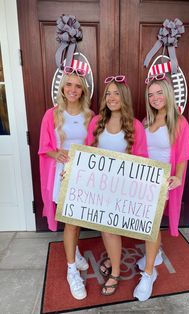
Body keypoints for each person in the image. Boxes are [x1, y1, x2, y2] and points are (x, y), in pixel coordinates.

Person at [85, 75, 148, 296]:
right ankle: (113, 261)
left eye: (117, 93)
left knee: (110, 229)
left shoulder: (135, 126)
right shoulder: (96, 122)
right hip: (100, 187)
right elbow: (87, 154)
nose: (112, 97)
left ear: (125, 97)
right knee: (105, 227)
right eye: (108, 93)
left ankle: (115, 273)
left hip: (122, 189)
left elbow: (142, 160)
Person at [133, 73, 189, 301]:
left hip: (162, 181)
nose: (155, 98)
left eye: (159, 93)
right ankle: (155, 254)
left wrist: (178, 176)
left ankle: (149, 274)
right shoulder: (146, 121)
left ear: (167, 93)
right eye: (151, 94)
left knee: (150, 224)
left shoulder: (179, 121)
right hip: (144, 178)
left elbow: (183, 154)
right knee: (149, 223)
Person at [38, 68, 94, 300]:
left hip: (83, 173)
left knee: (77, 218)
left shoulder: (90, 116)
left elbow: (94, 146)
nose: (72, 89)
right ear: (62, 87)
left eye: (77, 85)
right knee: (70, 221)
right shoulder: (51, 115)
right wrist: (57, 153)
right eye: (68, 84)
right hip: (62, 174)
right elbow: (43, 147)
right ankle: (71, 269)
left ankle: (76, 252)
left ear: (83, 90)